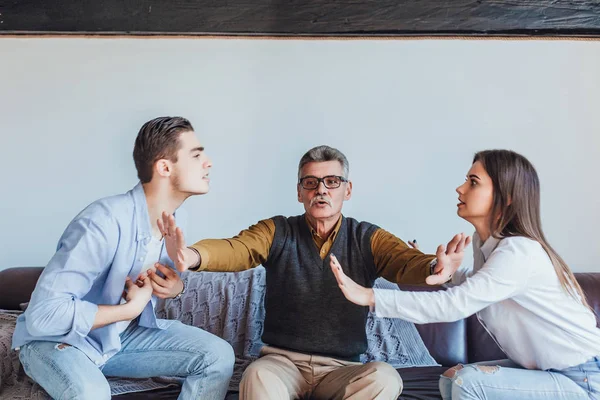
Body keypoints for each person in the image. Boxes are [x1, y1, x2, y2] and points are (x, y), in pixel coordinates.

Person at [158, 144, 469, 400]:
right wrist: (191, 255)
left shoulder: (367, 237)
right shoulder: (277, 230)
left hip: (340, 370)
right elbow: (237, 248)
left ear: (347, 190)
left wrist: (435, 266)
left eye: (332, 182)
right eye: (311, 182)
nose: (321, 190)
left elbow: (404, 261)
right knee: (256, 376)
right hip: (281, 364)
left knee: (384, 378)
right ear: (300, 192)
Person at [330, 149, 600, 400]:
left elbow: (453, 305)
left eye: (473, 182)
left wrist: (370, 296)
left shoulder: (518, 252)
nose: (460, 189)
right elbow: (483, 284)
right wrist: (448, 273)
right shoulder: (488, 245)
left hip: (583, 378)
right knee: (451, 377)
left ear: (506, 197)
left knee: (465, 382)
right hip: (546, 370)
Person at [12, 116, 235, 400]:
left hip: (118, 339)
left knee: (217, 356)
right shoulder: (102, 221)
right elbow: (43, 317)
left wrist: (175, 288)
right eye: (196, 155)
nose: (208, 163)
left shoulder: (177, 219)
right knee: (91, 392)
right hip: (56, 342)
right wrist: (127, 312)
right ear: (165, 167)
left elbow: (149, 286)